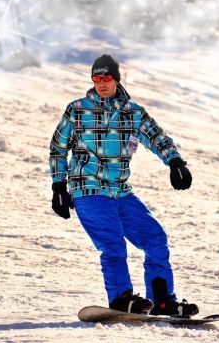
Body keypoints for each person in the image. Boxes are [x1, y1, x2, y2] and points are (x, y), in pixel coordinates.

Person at [49, 54, 198, 317]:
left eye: (107, 77)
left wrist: (175, 162)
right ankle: (120, 298)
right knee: (114, 245)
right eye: (97, 78)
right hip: (89, 191)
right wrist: (58, 187)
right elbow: (59, 148)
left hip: (120, 191)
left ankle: (162, 298)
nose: (102, 82)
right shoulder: (77, 109)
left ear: (117, 79)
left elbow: (157, 137)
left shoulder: (133, 113)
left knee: (155, 239)